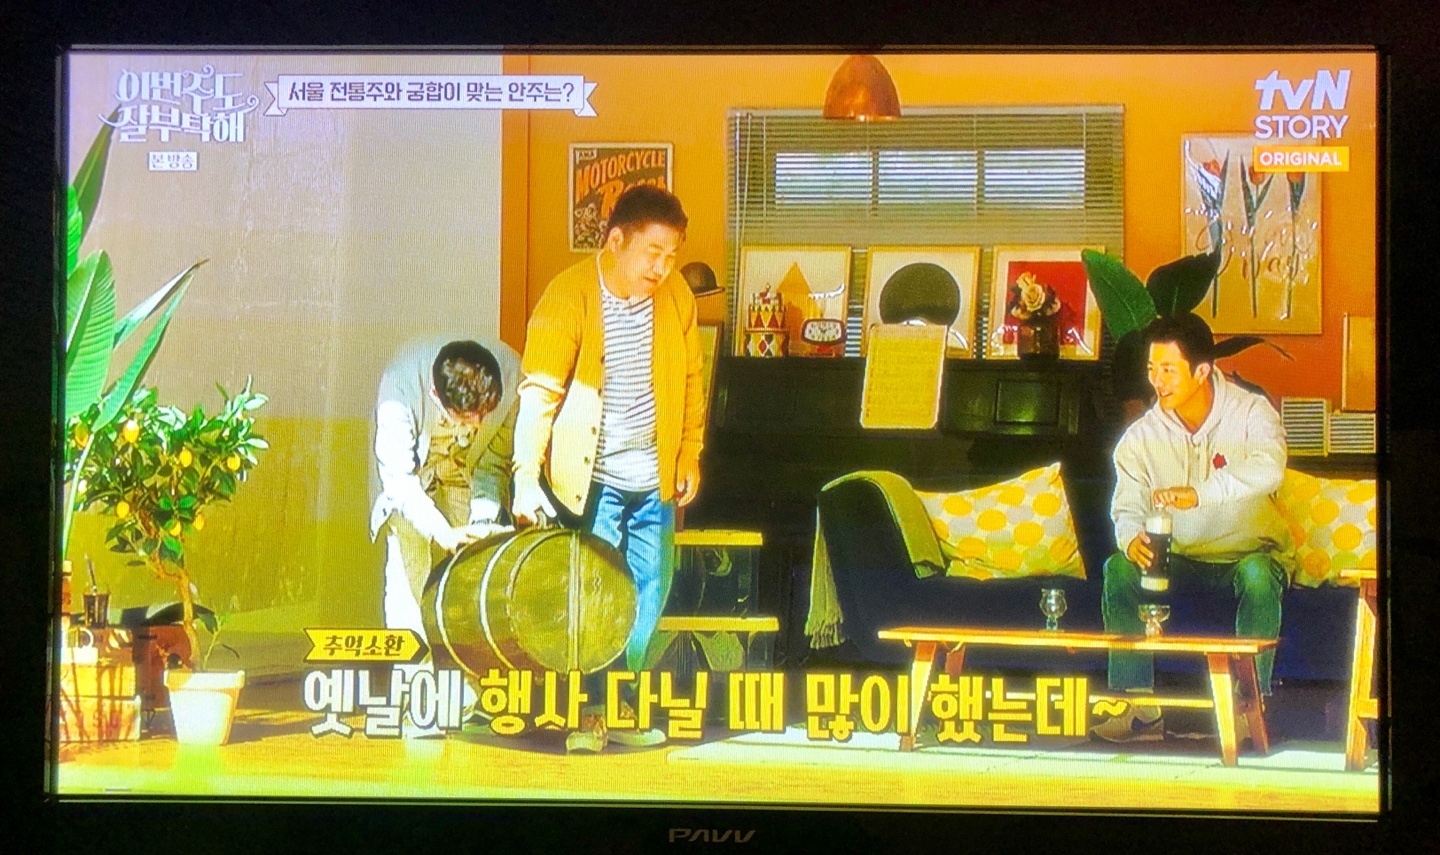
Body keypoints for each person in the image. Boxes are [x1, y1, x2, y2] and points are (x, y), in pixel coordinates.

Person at [512, 185, 706, 753]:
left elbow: (692, 380)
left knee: (648, 594)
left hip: (655, 479)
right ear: (616, 240)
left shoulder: (676, 297)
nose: (662, 267)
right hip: (590, 480)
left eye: (671, 255)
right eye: (653, 252)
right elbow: (540, 391)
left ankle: (620, 704)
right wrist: (525, 475)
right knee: (594, 597)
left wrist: (689, 450)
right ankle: (588, 715)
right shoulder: (569, 294)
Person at [1093, 312, 1291, 743]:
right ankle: (1139, 709)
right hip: (1179, 559)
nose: (1157, 381)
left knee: (1259, 576)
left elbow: (1269, 469)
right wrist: (1130, 540)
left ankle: (1248, 710)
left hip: (1247, 555)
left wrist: (1200, 494)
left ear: (1202, 371)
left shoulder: (1251, 412)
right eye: (1152, 369)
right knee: (1118, 569)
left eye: (1168, 370)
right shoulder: (1141, 437)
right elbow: (1126, 506)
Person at [370, 336, 520, 737]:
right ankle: (416, 701)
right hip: (413, 482)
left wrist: (483, 523)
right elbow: (399, 481)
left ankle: (469, 696)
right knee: (408, 581)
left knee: (473, 580)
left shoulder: (512, 375)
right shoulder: (400, 389)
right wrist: (442, 531)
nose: (477, 425)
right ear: (437, 397)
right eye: (467, 417)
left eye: (484, 415)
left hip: (466, 473)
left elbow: (495, 461)